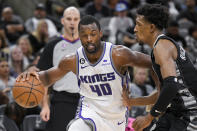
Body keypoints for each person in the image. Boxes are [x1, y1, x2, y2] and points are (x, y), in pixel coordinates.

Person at [16, 15, 153, 131]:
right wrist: (31, 76)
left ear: (100, 33)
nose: (89, 39)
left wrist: (155, 94)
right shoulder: (72, 60)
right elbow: (47, 77)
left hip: (116, 118)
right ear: (79, 36)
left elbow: (155, 63)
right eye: (84, 35)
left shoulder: (118, 54)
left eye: (93, 34)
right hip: (89, 113)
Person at [129, 4, 197, 131]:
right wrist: (130, 102)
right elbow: (162, 94)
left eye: (138, 24)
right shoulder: (161, 46)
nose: (134, 29)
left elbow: (171, 86)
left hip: (191, 113)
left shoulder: (162, 46)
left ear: (151, 27)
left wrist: (148, 117)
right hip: (176, 112)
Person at [37, 6, 81, 131]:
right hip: (61, 100)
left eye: (75, 19)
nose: (72, 22)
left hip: (86, 102)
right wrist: (45, 105)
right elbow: (43, 78)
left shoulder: (89, 46)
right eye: (69, 19)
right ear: (62, 21)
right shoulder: (52, 45)